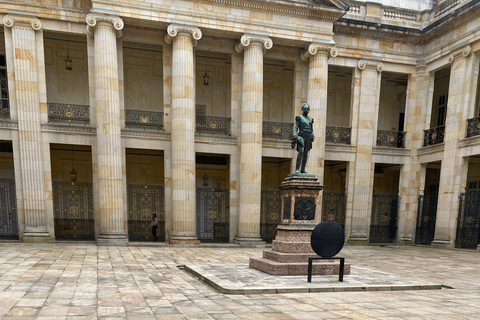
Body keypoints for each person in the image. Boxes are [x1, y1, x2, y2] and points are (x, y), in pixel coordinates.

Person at [292, 103, 314, 174]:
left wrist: (313, 135)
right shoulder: (299, 118)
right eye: (305, 109)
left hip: (308, 136)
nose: (306, 110)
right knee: (301, 152)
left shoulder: (310, 120)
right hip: (301, 136)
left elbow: (311, 129)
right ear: (302, 109)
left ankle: (303, 169)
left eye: (307, 109)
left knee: (306, 153)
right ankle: (297, 169)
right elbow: (295, 127)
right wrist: (295, 136)